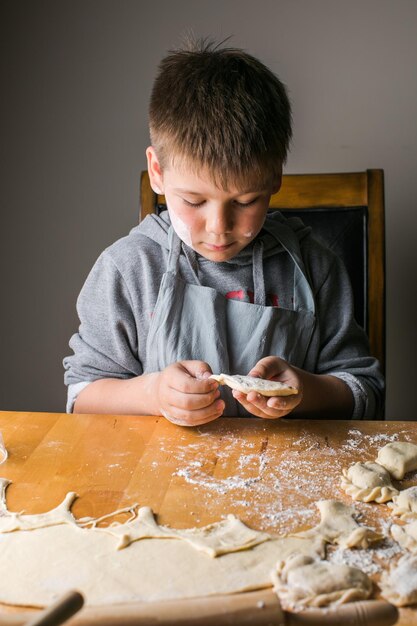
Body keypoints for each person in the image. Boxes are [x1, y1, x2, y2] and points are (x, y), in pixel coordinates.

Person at [63, 39, 384, 425]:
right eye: (195, 202)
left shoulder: (316, 266)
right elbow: (82, 398)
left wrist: (305, 391)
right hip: (157, 481)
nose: (219, 227)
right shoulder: (128, 269)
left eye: (246, 201)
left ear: (274, 178)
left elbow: (365, 391)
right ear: (158, 173)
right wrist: (152, 394)